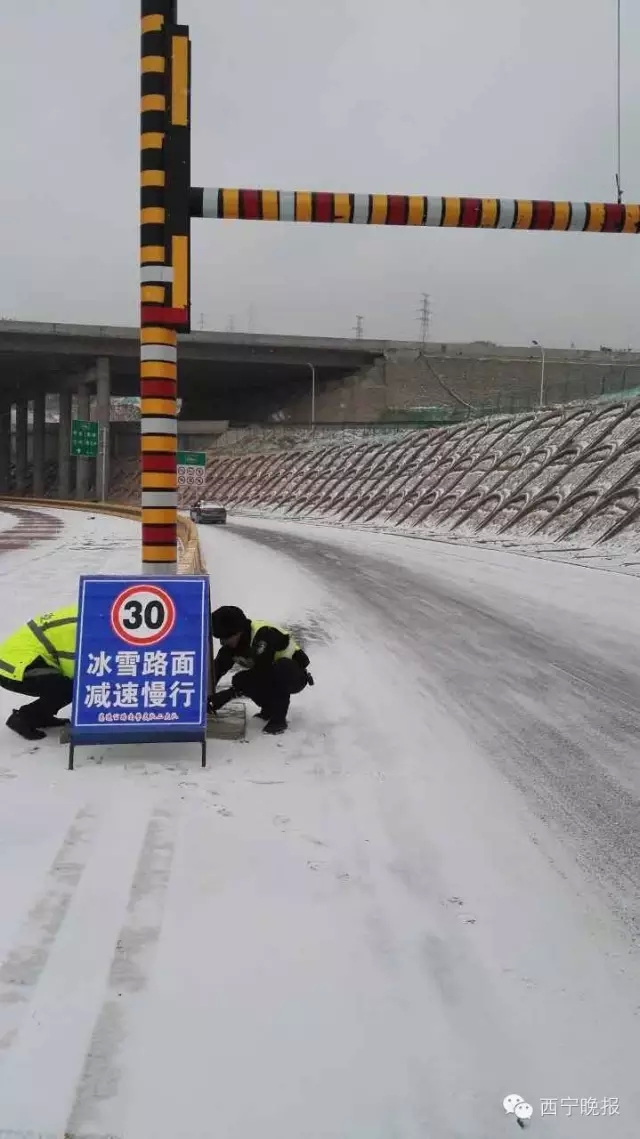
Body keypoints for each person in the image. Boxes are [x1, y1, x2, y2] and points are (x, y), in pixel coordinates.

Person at [209, 606, 313, 735]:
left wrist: (229, 694)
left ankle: (279, 719)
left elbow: (262, 672)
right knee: (239, 680)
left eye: (225, 638)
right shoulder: (231, 647)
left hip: (294, 675)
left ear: (238, 632)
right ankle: (269, 709)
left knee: (273, 671)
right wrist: (205, 697)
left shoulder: (263, 635)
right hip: (270, 674)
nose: (222, 642)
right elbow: (215, 671)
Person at [0, 605, 77, 740]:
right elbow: (74, 666)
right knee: (68, 688)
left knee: (67, 686)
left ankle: (41, 716)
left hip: (21, 659)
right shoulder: (81, 627)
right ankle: (22, 718)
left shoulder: (88, 616)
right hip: (14, 665)